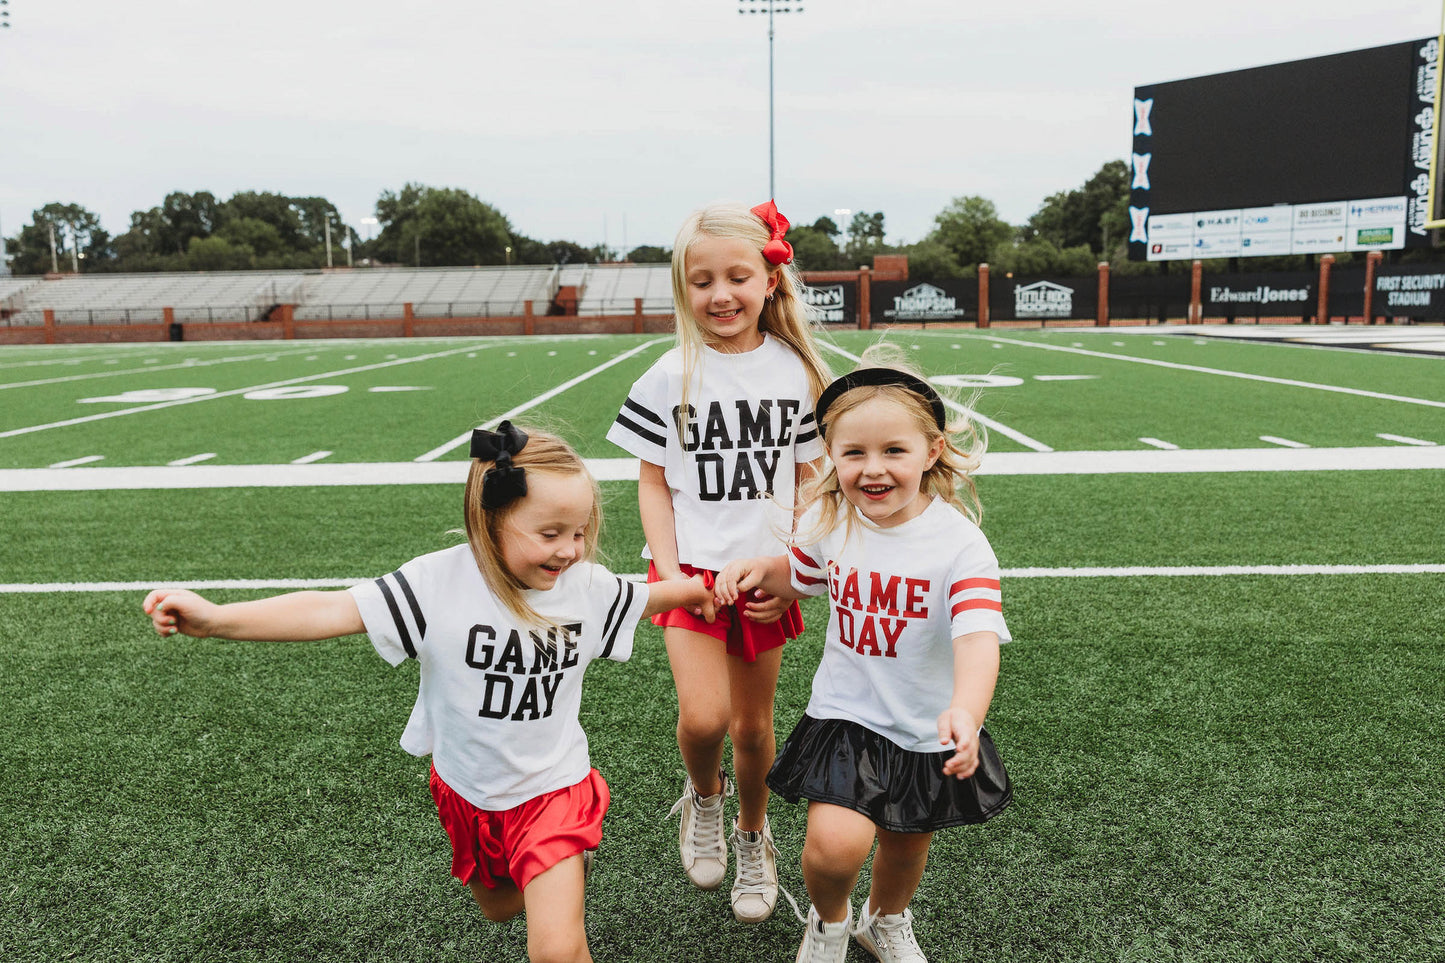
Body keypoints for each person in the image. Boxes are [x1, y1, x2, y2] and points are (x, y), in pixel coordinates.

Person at [143, 423, 715, 963]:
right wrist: (215, 618)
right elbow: (331, 609)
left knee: (558, 950)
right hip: (469, 790)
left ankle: (560, 860)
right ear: (490, 520)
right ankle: (547, 871)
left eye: (580, 533)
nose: (570, 550)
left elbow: (644, 596)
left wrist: (701, 590)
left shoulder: (584, 587)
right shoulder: (436, 583)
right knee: (499, 907)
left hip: (553, 790)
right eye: (550, 534)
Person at [715, 349, 1013, 963]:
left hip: (924, 723)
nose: (872, 470)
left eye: (893, 452)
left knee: (906, 845)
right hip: (846, 717)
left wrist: (966, 710)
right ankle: (829, 923)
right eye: (853, 454)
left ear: (931, 452)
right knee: (832, 848)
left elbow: (978, 637)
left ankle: (886, 920)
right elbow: (799, 574)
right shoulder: (833, 522)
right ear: (832, 458)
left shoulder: (961, 545)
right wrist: (761, 575)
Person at [605, 200, 833, 923]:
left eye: (737, 276)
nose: (720, 294)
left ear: (769, 279)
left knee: (753, 729)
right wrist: (670, 575)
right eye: (701, 281)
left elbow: (807, 480)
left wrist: (790, 567)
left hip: (763, 571)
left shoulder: (796, 372)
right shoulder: (667, 374)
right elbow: (650, 479)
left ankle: (752, 833)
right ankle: (703, 799)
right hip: (690, 571)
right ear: (683, 290)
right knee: (703, 718)